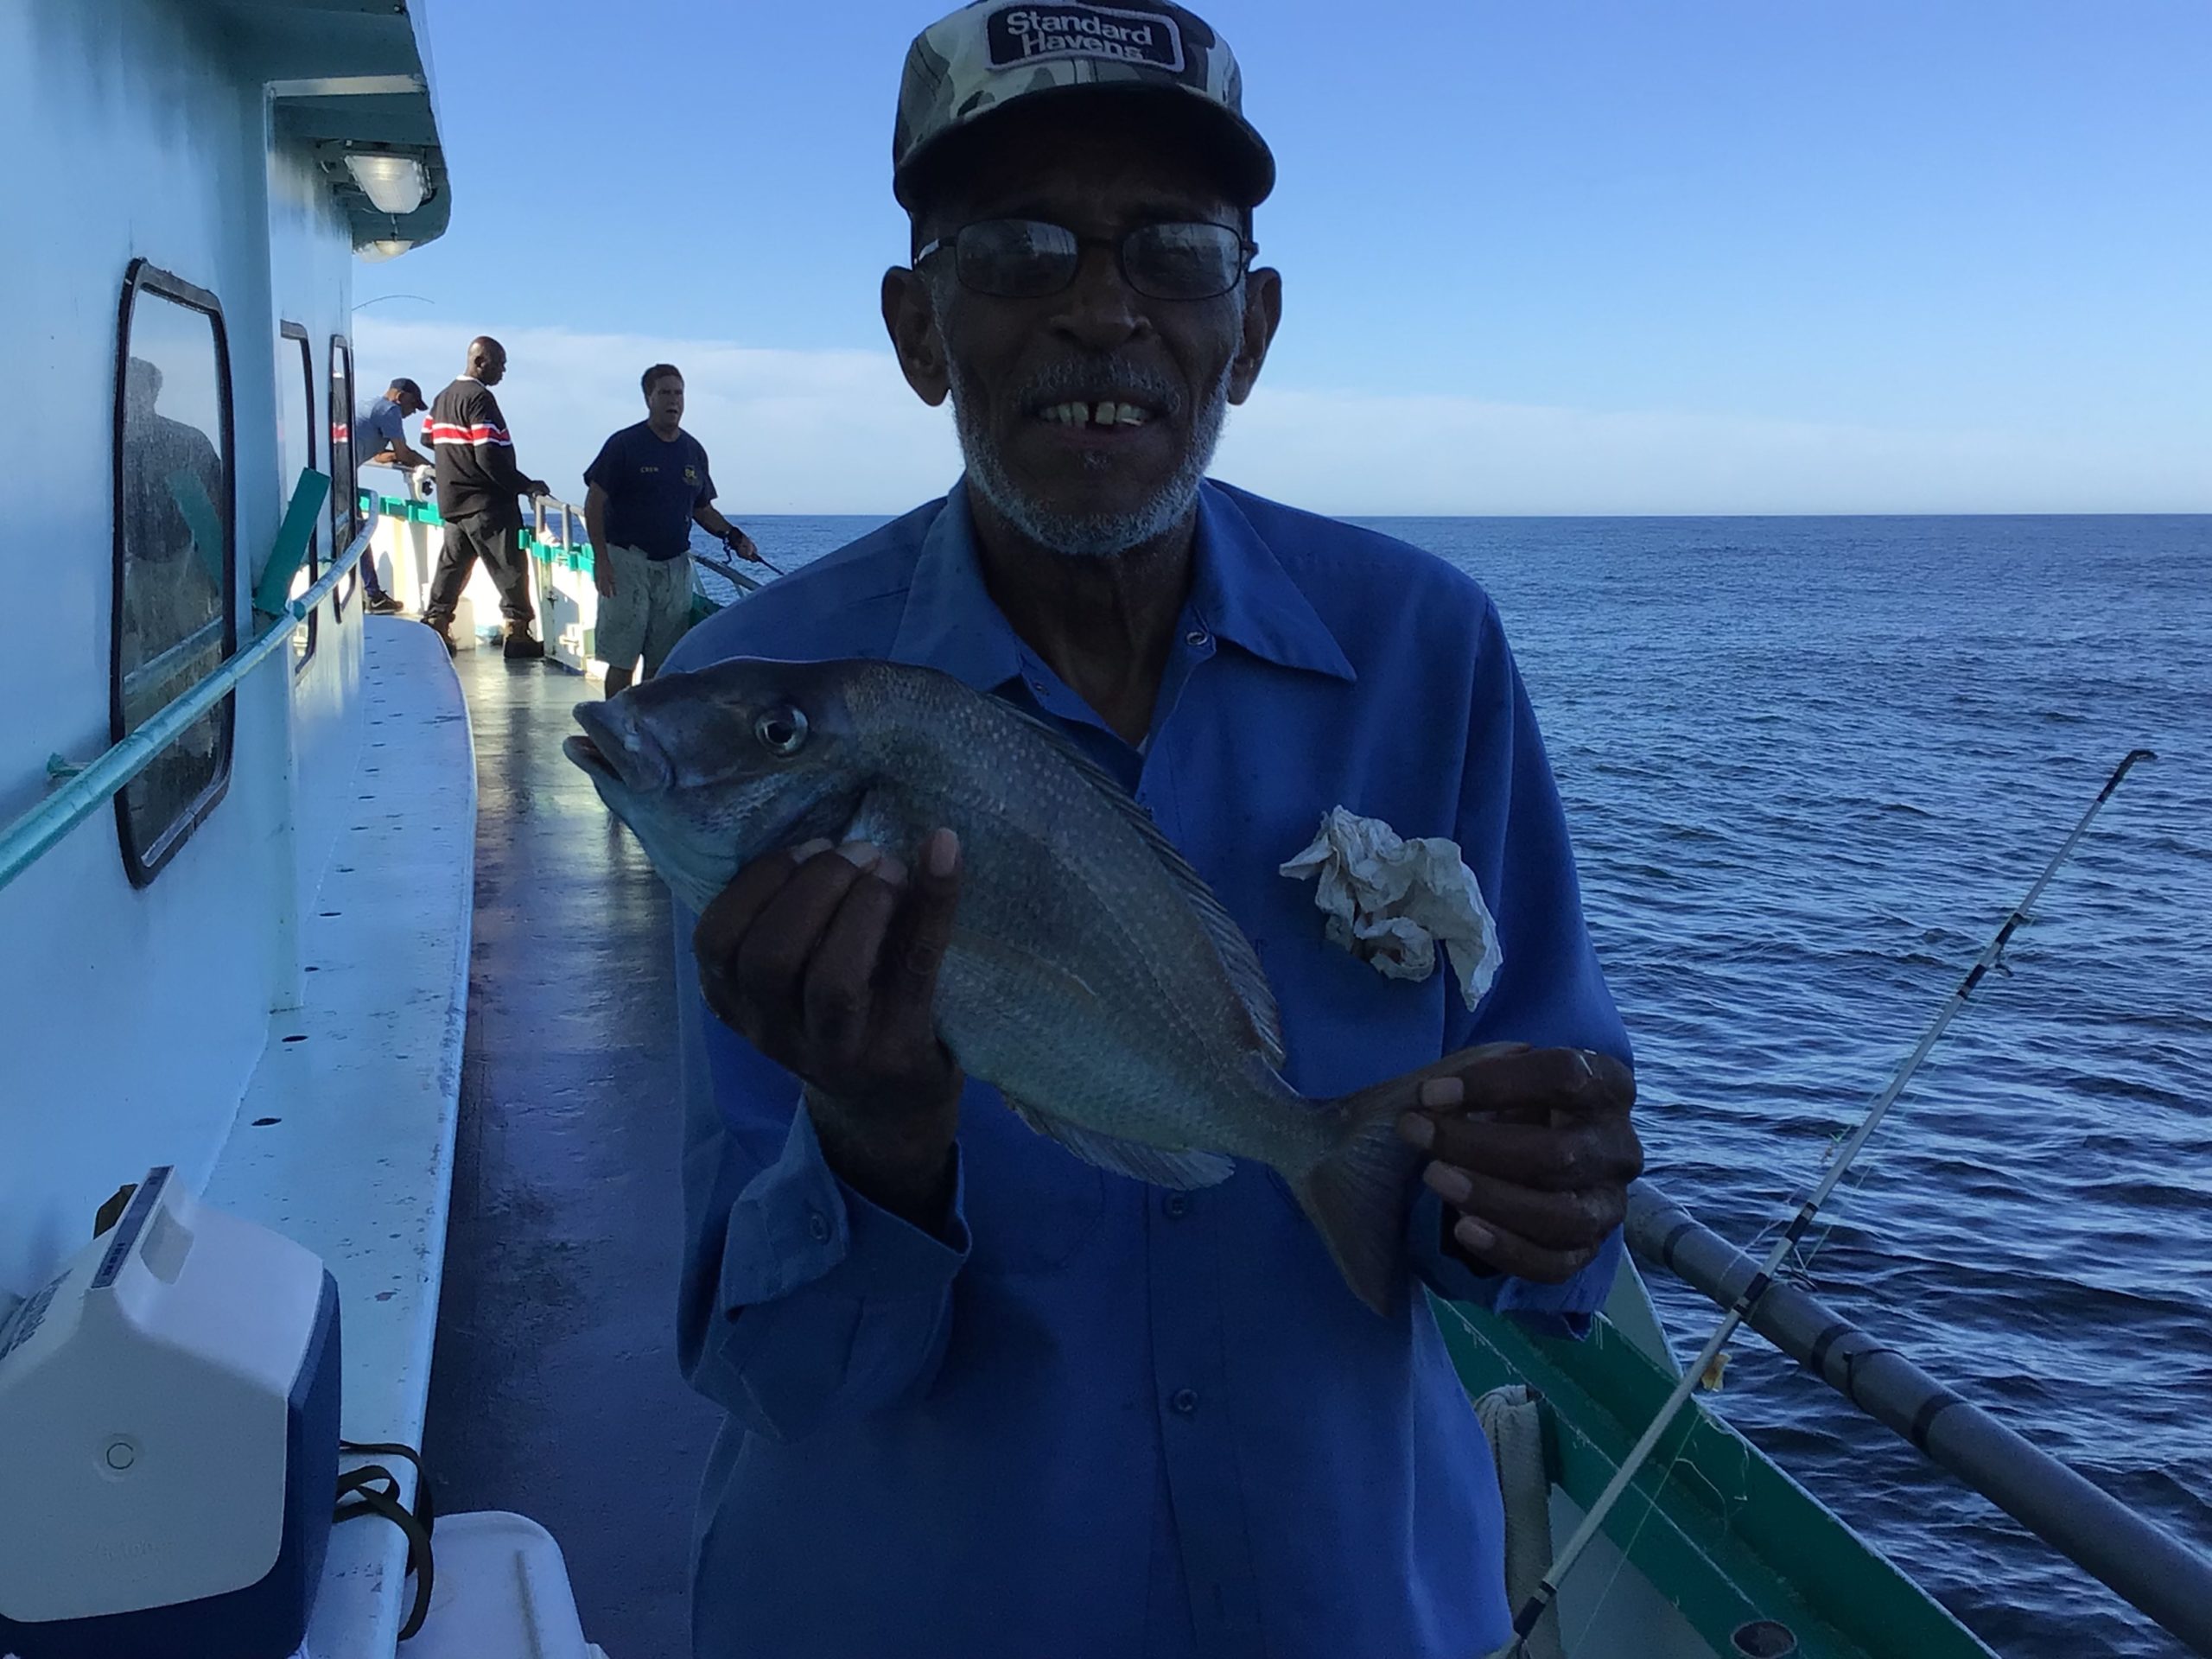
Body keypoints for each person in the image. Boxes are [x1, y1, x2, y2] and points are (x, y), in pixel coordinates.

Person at [660, 5, 1644, 1656]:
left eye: (1174, 255)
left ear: (1247, 331)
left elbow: (1542, 1193)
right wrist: (877, 1142)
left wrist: (1541, 1208)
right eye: (1021, 250)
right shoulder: (761, 729)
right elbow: (777, 1376)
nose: (1102, 309)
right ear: (920, 331)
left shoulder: (1429, 650)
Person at [582, 364, 761, 696]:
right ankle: (616, 729)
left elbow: (702, 509)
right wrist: (601, 560)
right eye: (664, 392)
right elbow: (594, 502)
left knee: (661, 661)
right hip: (627, 564)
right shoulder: (624, 444)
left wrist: (734, 537)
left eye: (678, 393)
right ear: (648, 398)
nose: (673, 400)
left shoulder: (693, 451)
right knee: (622, 658)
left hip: (675, 568)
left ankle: (646, 730)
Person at [421, 337, 550, 658]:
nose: (503, 371)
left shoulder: (442, 397)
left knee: (452, 566)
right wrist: (524, 485)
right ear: (481, 362)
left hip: (453, 501)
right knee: (509, 566)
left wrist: (454, 461)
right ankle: (518, 633)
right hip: (487, 503)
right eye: (500, 363)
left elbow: (427, 439)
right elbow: (489, 455)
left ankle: (437, 624)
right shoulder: (480, 399)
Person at [354, 377, 427, 614]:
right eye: (413, 406)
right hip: (339, 479)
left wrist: (397, 455)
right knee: (358, 534)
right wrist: (433, 469)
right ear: (401, 397)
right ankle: (373, 595)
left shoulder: (369, 405)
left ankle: (370, 593)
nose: (411, 413)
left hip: (332, 473)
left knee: (354, 533)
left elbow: (378, 456)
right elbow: (405, 453)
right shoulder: (389, 410)